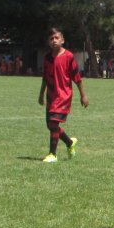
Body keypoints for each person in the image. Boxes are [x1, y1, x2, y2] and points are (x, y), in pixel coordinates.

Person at [38, 27, 88, 163]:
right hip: (51, 96)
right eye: (51, 39)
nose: (54, 41)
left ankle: (52, 154)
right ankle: (70, 143)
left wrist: (83, 95)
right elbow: (45, 78)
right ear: (49, 42)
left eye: (56, 38)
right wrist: (41, 94)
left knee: (53, 123)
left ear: (62, 40)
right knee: (51, 126)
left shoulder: (68, 57)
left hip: (63, 96)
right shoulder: (48, 58)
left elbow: (77, 77)